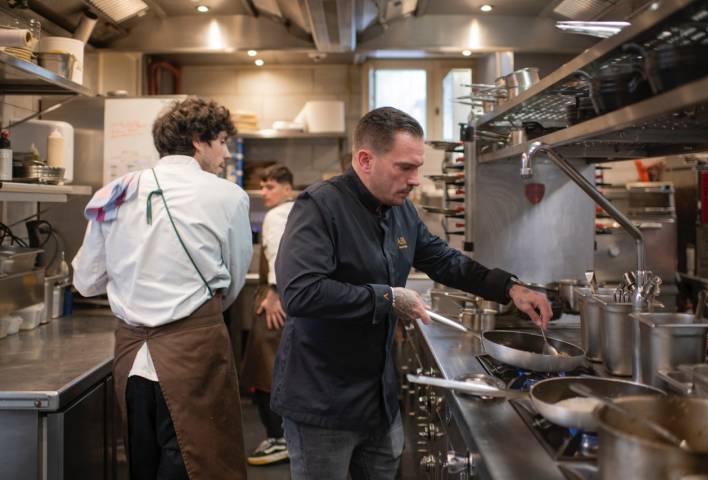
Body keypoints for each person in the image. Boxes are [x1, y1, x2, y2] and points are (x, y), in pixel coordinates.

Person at [271, 106, 552, 480]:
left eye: (418, 167)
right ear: (365, 159)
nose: (415, 179)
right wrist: (388, 298)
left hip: (379, 400)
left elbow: (445, 260)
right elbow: (301, 293)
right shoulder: (321, 206)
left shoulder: (401, 211)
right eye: (405, 167)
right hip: (323, 402)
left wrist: (510, 288)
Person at [72, 96, 252, 480]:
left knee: (144, 461)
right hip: (197, 352)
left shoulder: (114, 193)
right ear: (197, 141)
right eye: (221, 141)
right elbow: (234, 281)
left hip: (132, 358)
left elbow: (85, 282)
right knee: (203, 462)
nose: (225, 153)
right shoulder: (228, 195)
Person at [237, 165, 294, 466]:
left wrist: (273, 293)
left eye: (271, 186)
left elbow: (278, 255)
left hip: (276, 302)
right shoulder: (296, 211)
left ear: (288, 188)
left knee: (265, 374)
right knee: (275, 372)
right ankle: (284, 435)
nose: (264, 192)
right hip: (287, 300)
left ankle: (279, 438)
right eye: (263, 186)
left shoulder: (277, 215)